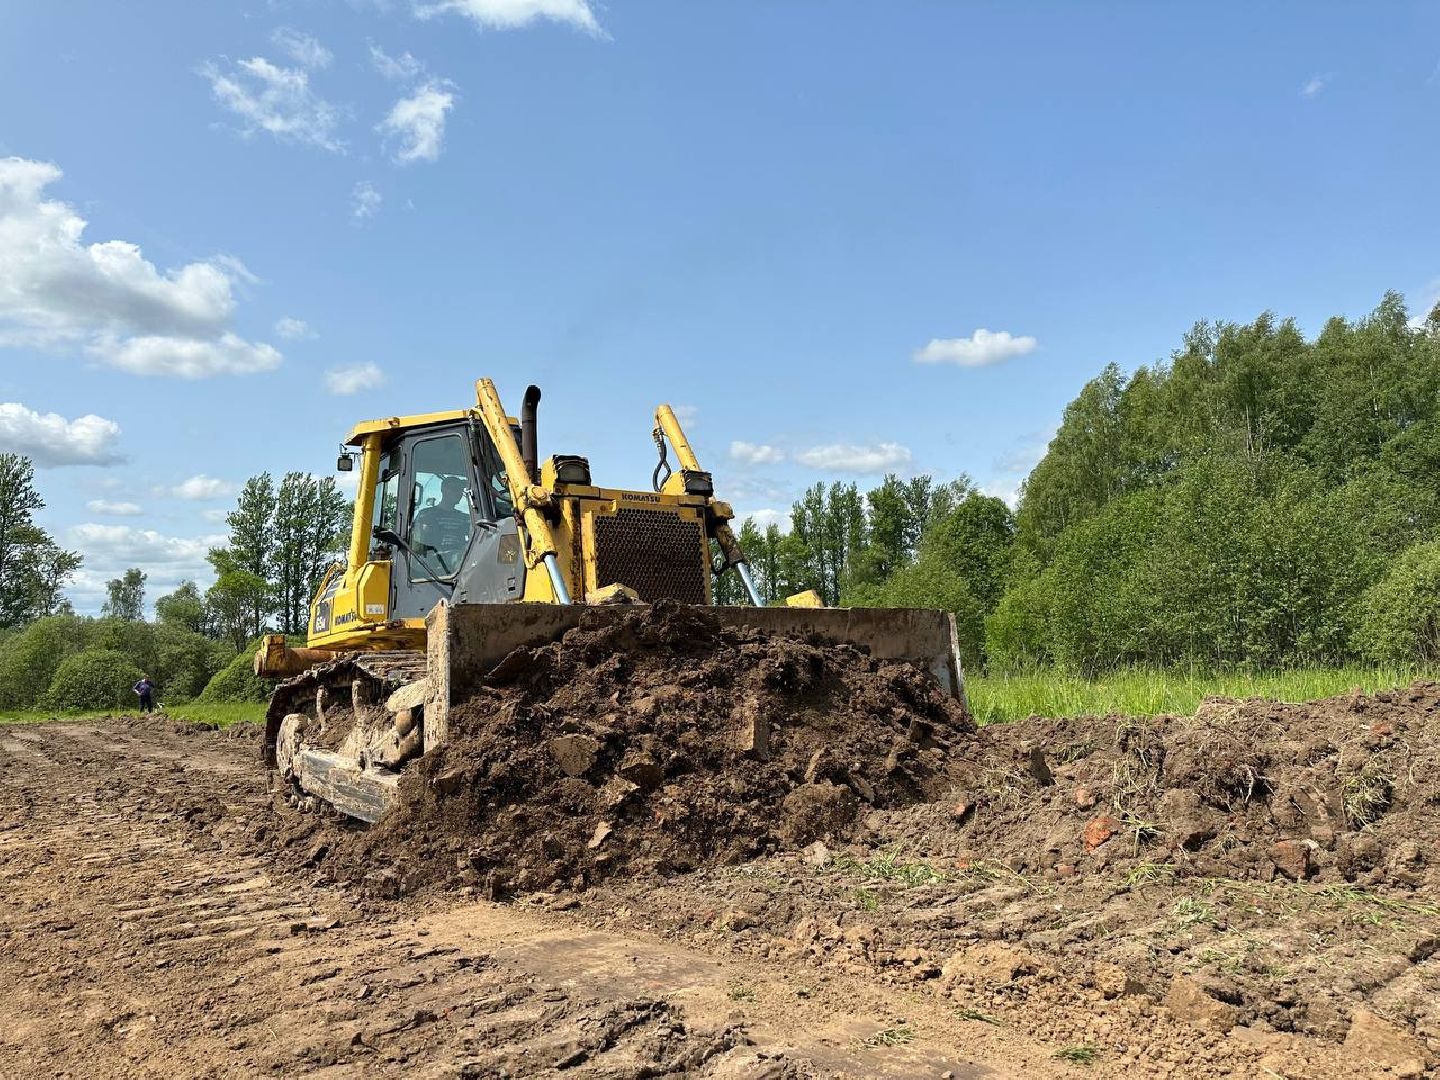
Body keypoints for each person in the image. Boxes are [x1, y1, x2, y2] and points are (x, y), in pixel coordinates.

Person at [410, 476, 472, 574]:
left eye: (460, 490)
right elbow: (417, 546)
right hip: (434, 563)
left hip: (460, 564)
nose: (459, 494)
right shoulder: (426, 515)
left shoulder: (465, 518)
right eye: (455, 489)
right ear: (444, 490)